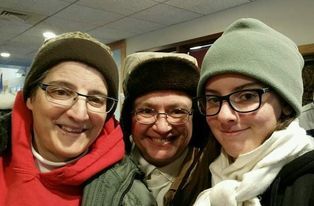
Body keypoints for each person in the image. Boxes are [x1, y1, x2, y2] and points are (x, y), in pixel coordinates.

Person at [0, 31, 155, 206]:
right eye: (61, 92)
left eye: (95, 99)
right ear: (30, 98)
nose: (80, 114)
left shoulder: (131, 197)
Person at [193, 18, 314, 206]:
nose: (224, 116)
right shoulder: (206, 172)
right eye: (214, 100)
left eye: (247, 96)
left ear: (286, 104)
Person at [114, 52, 218, 206]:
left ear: (195, 118)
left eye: (177, 111)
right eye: (147, 111)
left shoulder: (217, 175)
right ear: (129, 118)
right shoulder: (105, 172)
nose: (162, 127)